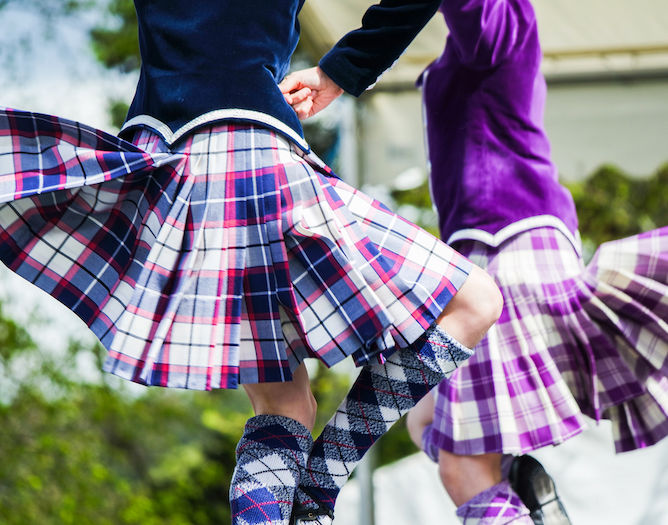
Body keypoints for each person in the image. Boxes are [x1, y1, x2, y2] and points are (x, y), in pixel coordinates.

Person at [0, 1, 503, 524]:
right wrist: (343, 69)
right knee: (474, 301)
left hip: (173, 175)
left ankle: (312, 492)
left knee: (284, 408)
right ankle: (320, 483)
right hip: (255, 153)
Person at [280, 0, 668, 523]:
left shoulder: (506, 20)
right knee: (426, 419)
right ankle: (522, 490)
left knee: (461, 465)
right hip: (493, 254)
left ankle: (512, 497)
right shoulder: (478, 46)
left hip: (508, 249)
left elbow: (476, 16)